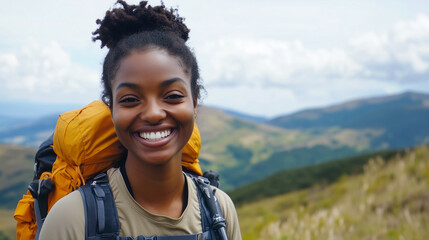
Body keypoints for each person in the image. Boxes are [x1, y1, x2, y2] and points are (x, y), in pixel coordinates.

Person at [38, 1, 241, 239]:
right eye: (131, 99)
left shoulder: (220, 210)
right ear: (111, 108)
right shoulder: (73, 218)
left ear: (194, 102)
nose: (153, 113)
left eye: (173, 96)